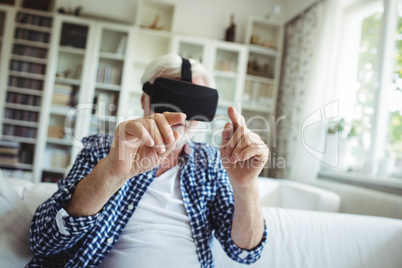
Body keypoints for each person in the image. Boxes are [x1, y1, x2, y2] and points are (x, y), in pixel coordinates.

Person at [28, 53, 269, 267]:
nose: (182, 115)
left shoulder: (212, 162)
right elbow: (43, 241)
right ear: (145, 100)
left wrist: (245, 185)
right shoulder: (102, 149)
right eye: (170, 99)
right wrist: (111, 173)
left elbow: (245, 254)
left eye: (194, 103)